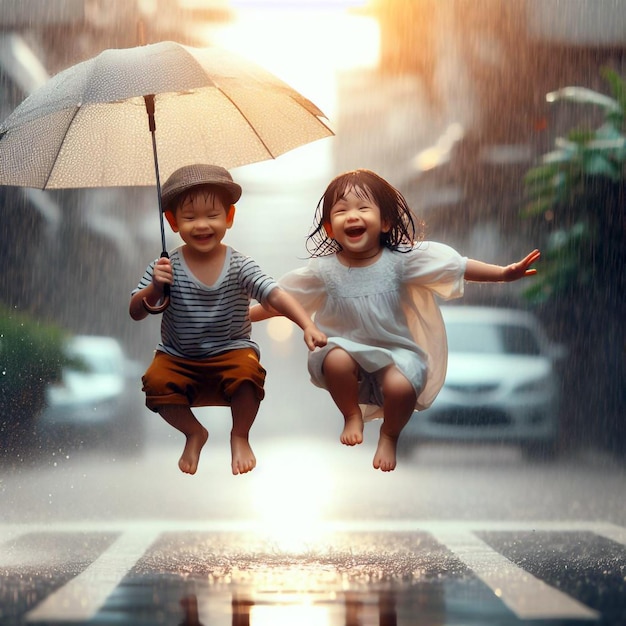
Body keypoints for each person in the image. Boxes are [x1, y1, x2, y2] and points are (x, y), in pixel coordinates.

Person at [250, 169, 540, 472]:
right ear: (330, 229)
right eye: (341, 211)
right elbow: (280, 300)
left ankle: (390, 434)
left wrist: (504, 274)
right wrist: (240, 316)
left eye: (363, 208)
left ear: (385, 222)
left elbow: (457, 266)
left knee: (401, 388)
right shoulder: (323, 272)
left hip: (397, 354)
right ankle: (351, 415)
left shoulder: (401, 261)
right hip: (344, 350)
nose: (352, 216)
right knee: (335, 359)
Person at [130, 164, 327, 476]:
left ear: (229, 217)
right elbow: (137, 311)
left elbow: (275, 295)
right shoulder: (165, 267)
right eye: (190, 217)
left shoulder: (240, 265)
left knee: (248, 373)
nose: (202, 225)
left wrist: (307, 324)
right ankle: (194, 432)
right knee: (154, 383)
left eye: (212, 215)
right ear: (172, 222)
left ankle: (240, 435)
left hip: (231, 350)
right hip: (178, 356)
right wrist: (155, 286)